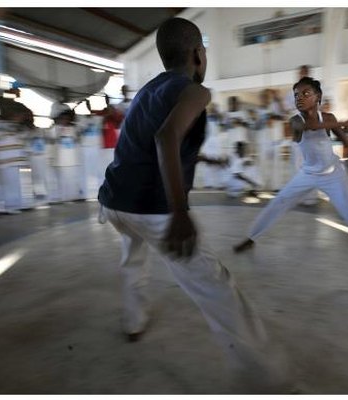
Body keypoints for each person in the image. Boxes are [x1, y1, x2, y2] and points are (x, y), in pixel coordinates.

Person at [97, 17, 287, 392]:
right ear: (198, 54)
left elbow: (157, 140)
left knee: (132, 260)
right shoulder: (196, 92)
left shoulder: (146, 91)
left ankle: (134, 323)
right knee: (217, 288)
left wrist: (202, 160)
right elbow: (166, 137)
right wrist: (180, 212)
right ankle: (273, 384)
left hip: (115, 201)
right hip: (151, 209)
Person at [233, 77, 348, 281]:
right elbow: (311, 126)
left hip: (334, 174)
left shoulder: (328, 117)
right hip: (307, 174)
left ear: (318, 97)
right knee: (278, 203)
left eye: (306, 93)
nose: (299, 98)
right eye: (297, 94)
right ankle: (250, 238)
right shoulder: (295, 121)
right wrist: (342, 123)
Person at [283, 65, 319, 205]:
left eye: (306, 73)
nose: (303, 75)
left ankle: (310, 197)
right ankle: (298, 197)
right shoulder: (291, 93)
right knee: (297, 165)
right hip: (297, 132)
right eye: (301, 73)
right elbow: (286, 111)